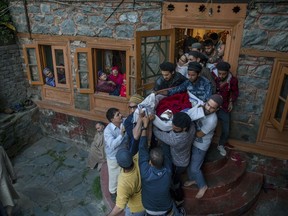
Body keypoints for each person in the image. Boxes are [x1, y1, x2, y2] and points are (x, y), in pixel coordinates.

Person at [138, 115, 185, 216]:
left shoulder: (145, 172)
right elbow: (167, 151)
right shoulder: (168, 170)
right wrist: (164, 131)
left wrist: (145, 126)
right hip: (165, 208)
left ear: (150, 162)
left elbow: (142, 148)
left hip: (148, 207)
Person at [184, 94, 223, 199]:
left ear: (217, 109)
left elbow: (199, 134)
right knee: (188, 163)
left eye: (212, 107)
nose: (208, 108)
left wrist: (186, 129)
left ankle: (203, 186)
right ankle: (193, 179)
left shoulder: (212, 120)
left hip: (200, 145)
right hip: (192, 141)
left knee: (195, 168)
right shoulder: (202, 106)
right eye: (208, 104)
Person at [153, 112, 196, 204]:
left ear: (184, 128)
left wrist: (152, 121)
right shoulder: (191, 126)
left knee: (175, 181)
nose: (172, 128)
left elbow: (157, 133)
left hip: (178, 164)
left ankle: (179, 199)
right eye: (172, 124)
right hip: (185, 158)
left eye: (176, 128)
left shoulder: (176, 139)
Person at [107, 149, 145, 216]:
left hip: (136, 209)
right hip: (146, 200)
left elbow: (119, 207)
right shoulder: (138, 158)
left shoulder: (124, 182)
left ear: (119, 165)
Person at [212, 62, 239, 156]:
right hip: (211, 106)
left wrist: (231, 101)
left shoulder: (233, 80)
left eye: (224, 74)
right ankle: (206, 145)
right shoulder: (212, 75)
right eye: (219, 73)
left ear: (228, 72)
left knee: (226, 129)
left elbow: (235, 92)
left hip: (224, 106)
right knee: (210, 127)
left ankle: (221, 145)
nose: (221, 76)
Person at [104, 108, 126, 202]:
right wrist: (121, 135)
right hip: (113, 157)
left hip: (123, 153)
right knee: (114, 176)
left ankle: (122, 190)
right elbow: (112, 145)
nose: (121, 115)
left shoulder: (123, 122)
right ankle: (113, 192)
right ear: (112, 120)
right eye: (117, 115)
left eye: (120, 113)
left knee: (123, 174)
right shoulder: (108, 131)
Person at [0, 146, 20, 216]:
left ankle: (9, 214)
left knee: (9, 202)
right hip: (3, 182)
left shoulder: (0, 149)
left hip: (3, 183)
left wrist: (13, 176)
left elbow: (7, 163)